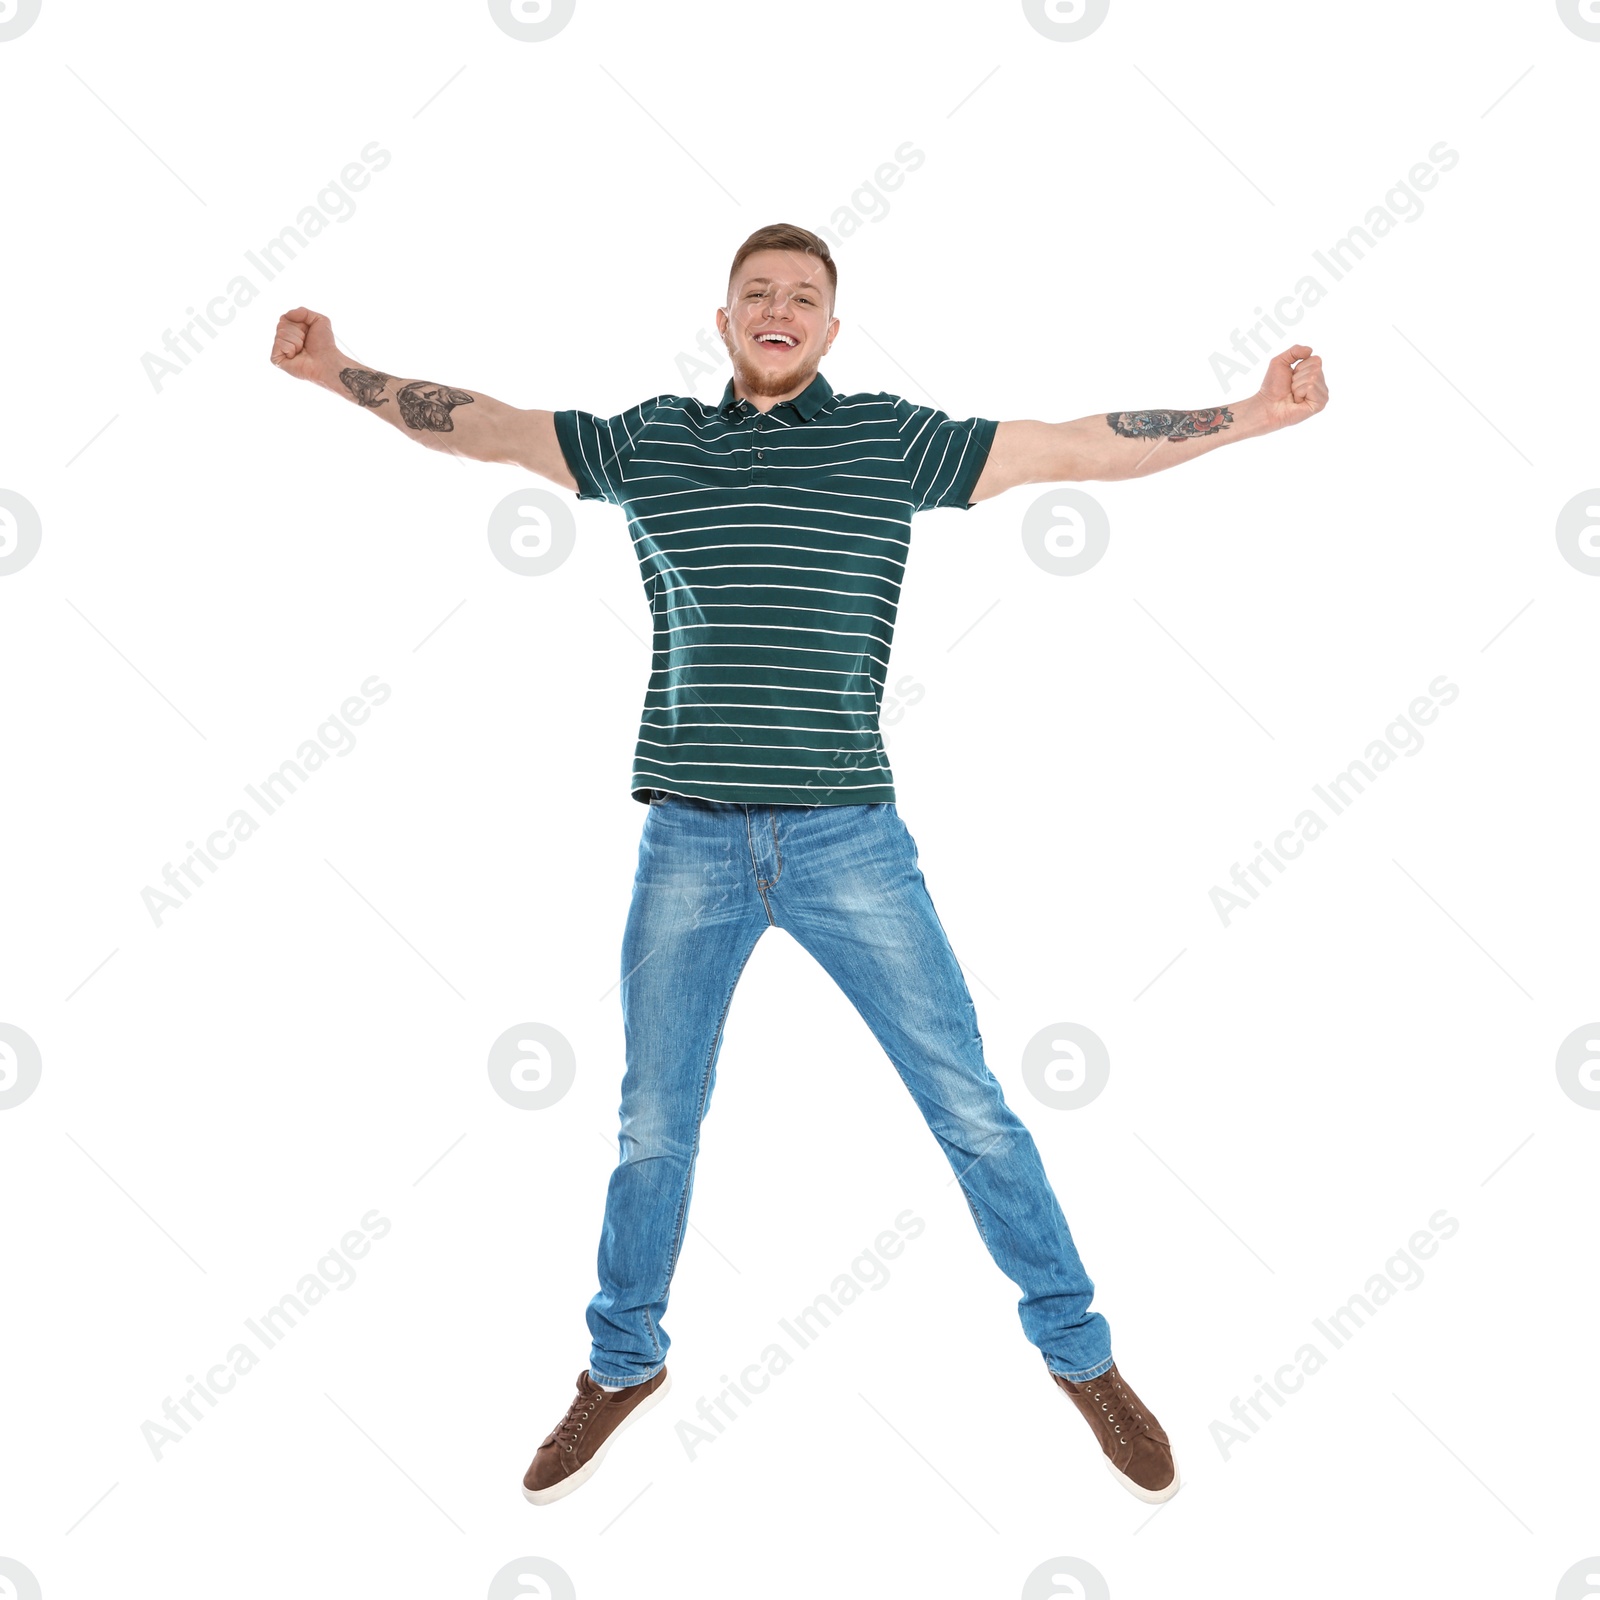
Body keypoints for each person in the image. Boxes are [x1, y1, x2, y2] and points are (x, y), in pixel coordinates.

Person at [269, 223, 1328, 1510]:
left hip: (846, 839)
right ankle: (622, 1362)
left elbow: (1077, 445)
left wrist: (1255, 417)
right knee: (653, 1123)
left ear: (832, 329)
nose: (779, 310)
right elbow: (484, 424)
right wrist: (337, 373)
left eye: (804, 298)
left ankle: (1081, 1354)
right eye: (756, 295)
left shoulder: (887, 442)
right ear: (724, 323)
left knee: (970, 1106)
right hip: (690, 843)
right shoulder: (654, 441)